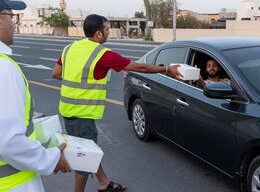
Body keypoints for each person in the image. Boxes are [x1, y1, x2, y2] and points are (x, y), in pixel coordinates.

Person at [52, 14, 182, 192]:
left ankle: (103, 182)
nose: (108, 33)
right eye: (106, 29)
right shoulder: (102, 54)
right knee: (84, 160)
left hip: (67, 111)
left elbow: (56, 73)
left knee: (88, 151)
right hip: (82, 115)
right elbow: (139, 67)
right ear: (98, 33)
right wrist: (166, 69)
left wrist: (76, 80)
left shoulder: (69, 48)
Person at [0, 0, 70, 192]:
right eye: (10, 16)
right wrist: (51, 159)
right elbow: (8, 142)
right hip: (14, 185)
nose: (14, 24)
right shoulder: (4, 70)